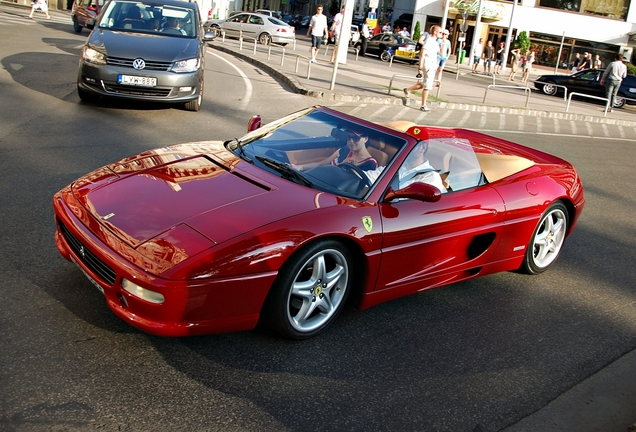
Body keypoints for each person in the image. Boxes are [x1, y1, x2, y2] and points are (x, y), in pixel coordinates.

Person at [363, 141, 446, 194]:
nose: (404, 148)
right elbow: (372, 176)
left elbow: (414, 207)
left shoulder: (430, 177)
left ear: (423, 148)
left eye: (410, 145)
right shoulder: (397, 165)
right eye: (403, 145)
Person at [294, 129, 378, 171]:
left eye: (356, 138)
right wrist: (300, 167)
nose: (351, 141)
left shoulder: (370, 164)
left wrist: (352, 169)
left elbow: (360, 190)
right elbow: (321, 164)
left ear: (365, 139)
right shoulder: (345, 150)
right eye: (348, 137)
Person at [403, 25, 441, 112]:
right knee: (427, 86)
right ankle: (423, 105)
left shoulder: (435, 42)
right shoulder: (429, 41)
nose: (441, 34)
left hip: (431, 66)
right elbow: (422, 54)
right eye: (440, 32)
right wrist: (420, 67)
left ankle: (408, 90)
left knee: (425, 84)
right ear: (435, 32)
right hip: (427, 65)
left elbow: (441, 54)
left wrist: (443, 43)